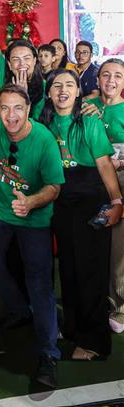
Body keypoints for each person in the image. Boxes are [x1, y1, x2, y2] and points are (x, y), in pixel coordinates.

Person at [0, 85, 65, 388]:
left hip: (34, 217)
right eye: (4, 108)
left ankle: (49, 353)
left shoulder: (44, 140)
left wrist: (31, 202)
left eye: (17, 108)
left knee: (39, 283)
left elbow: (54, 187)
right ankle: (19, 310)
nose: (10, 115)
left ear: (28, 110)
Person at [40, 69, 122, 360]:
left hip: (90, 199)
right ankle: (74, 327)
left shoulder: (89, 119)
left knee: (90, 271)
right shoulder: (43, 119)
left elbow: (104, 163)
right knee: (69, 268)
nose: (63, 90)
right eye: (57, 85)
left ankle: (94, 342)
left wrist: (116, 201)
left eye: (69, 85)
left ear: (78, 92)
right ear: (49, 92)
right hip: (60, 200)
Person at [81, 59, 124, 333]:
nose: (111, 80)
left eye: (118, 76)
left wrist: (120, 162)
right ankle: (95, 300)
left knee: (119, 248)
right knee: (92, 243)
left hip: (120, 180)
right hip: (90, 181)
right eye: (106, 75)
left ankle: (119, 306)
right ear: (97, 80)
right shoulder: (88, 105)